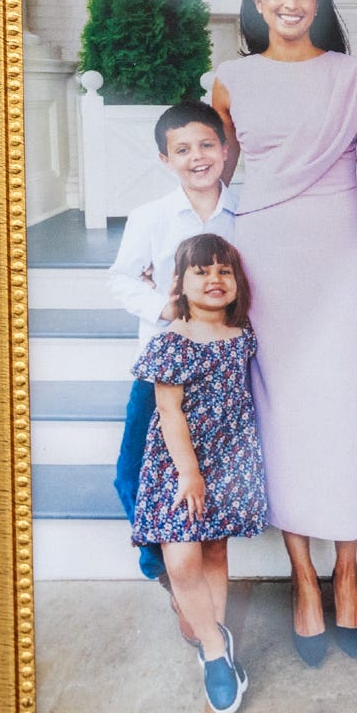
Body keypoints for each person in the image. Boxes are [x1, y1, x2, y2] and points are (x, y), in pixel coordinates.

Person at [212, 0, 357, 664]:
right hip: (266, 251)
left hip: (338, 247)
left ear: (319, 1)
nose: (289, 1)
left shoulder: (354, 75)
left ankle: (347, 571)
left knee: (344, 407)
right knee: (279, 407)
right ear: (256, 1)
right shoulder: (230, 79)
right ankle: (303, 577)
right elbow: (210, 176)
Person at [129, 234, 269, 713]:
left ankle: (216, 650)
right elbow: (169, 413)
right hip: (179, 462)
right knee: (182, 559)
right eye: (201, 272)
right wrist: (189, 472)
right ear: (180, 283)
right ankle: (213, 642)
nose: (214, 280)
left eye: (224, 272)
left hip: (230, 458)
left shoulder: (245, 334)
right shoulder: (173, 341)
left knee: (213, 549)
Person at [106, 102, 238, 580]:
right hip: (165, 363)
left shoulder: (246, 212)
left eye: (207, 145)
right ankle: (164, 569)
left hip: (226, 370)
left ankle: (200, 570)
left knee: (208, 473)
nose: (197, 157)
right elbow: (122, 279)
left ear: (225, 150)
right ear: (166, 160)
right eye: (182, 150)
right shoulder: (151, 216)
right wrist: (162, 306)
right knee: (131, 470)